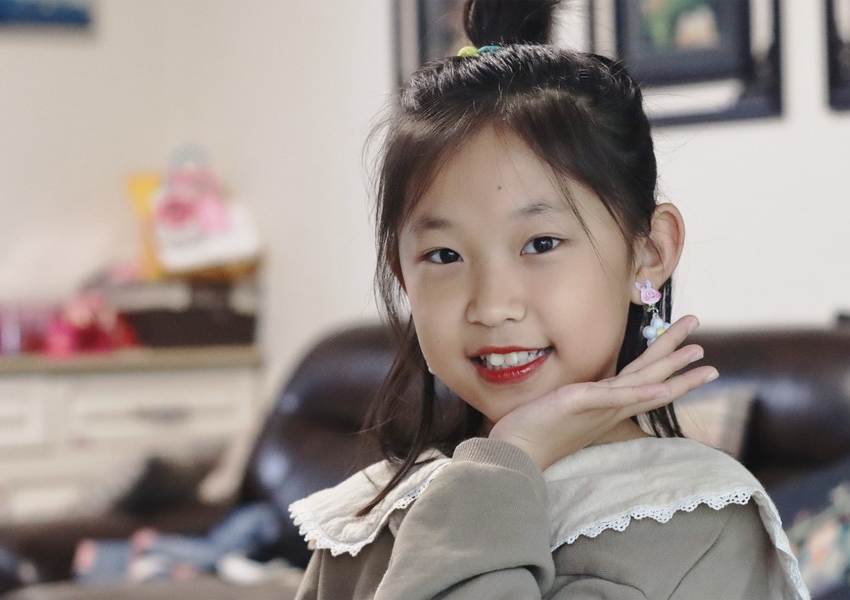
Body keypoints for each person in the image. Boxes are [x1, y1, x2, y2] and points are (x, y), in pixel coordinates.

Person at [289, 0, 808, 597]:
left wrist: (512, 456)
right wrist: (510, 457)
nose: (492, 306)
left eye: (540, 243)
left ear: (649, 252)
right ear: (401, 274)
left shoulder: (696, 526)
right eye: (445, 255)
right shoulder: (361, 524)